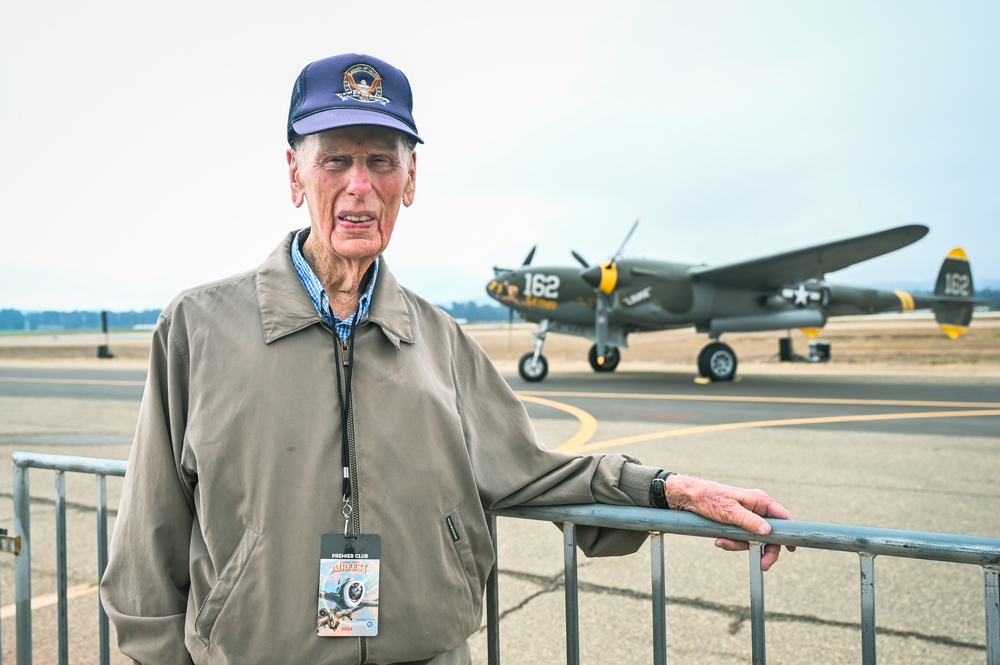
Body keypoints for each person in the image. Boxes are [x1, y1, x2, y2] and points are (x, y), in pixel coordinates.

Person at [100, 53, 793, 665]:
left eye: (381, 161)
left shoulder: (441, 340)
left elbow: (540, 472)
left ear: (411, 178)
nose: (359, 186)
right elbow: (145, 553)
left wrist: (671, 489)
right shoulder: (196, 328)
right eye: (335, 159)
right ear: (294, 173)